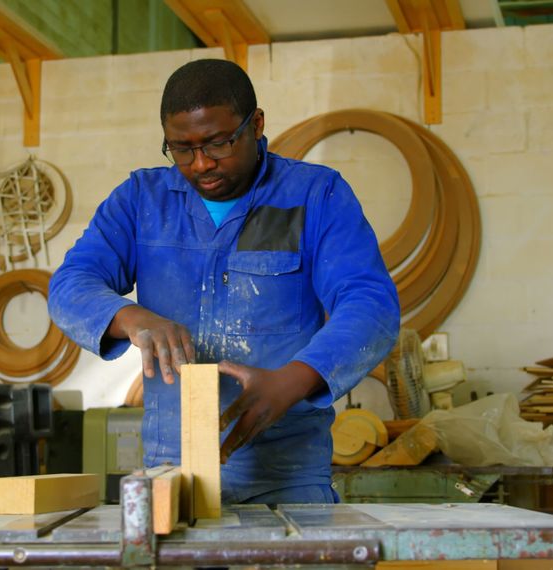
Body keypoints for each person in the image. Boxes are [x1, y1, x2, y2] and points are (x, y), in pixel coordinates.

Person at [48, 58, 399, 504]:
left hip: (285, 477)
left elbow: (371, 306)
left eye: (218, 143)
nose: (200, 165)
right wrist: (130, 316)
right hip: (172, 475)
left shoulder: (316, 196)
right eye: (181, 149)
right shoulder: (141, 201)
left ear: (256, 124)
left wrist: (293, 381)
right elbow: (70, 284)